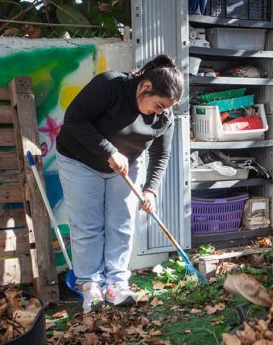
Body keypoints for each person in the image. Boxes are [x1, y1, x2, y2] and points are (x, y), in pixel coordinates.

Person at [56, 55, 184, 314]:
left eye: (165, 108)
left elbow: (161, 154)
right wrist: (110, 152)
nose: (160, 112)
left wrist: (151, 190)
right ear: (146, 86)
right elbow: (74, 120)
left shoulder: (164, 117)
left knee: (122, 224)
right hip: (79, 160)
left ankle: (116, 285)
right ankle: (90, 286)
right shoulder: (110, 85)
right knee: (88, 225)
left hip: (125, 166)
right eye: (158, 105)